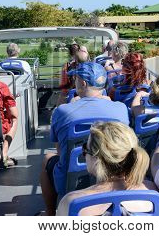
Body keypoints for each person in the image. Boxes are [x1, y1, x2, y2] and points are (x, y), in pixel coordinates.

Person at [40, 62, 130, 215]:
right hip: (114, 178)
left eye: (75, 79)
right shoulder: (120, 108)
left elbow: (60, 150)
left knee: (48, 158)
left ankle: (50, 213)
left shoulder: (62, 111)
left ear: (82, 83)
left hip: (70, 180)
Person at [57, 121, 155, 215]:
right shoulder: (150, 192)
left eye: (85, 149)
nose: (85, 155)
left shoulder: (72, 202)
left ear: (96, 159)